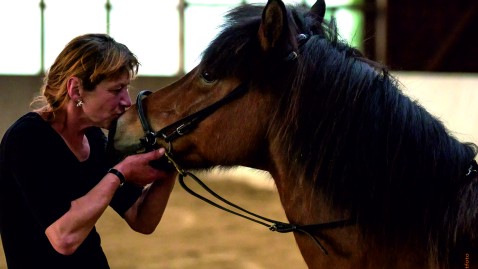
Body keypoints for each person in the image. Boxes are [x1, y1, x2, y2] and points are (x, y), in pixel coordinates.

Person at [0, 33, 176, 269]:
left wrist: (172, 164)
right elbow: (64, 238)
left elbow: (141, 218)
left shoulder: (93, 137)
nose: (126, 102)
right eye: (116, 90)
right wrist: (120, 173)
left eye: (126, 89)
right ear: (76, 90)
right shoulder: (27, 139)